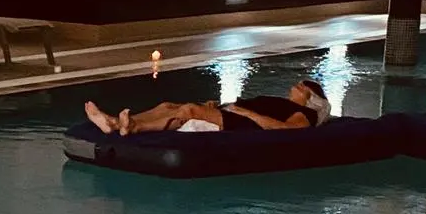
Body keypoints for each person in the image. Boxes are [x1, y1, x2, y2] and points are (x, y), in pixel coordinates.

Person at [84, 78, 330, 137]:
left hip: (244, 122)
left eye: (301, 86)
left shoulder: (305, 113)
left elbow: (286, 130)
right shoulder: (283, 103)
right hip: (233, 112)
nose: (294, 86)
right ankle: (114, 123)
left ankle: (134, 128)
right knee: (166, 105)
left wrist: (247, 113)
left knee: (189, 110)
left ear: (310, 96)